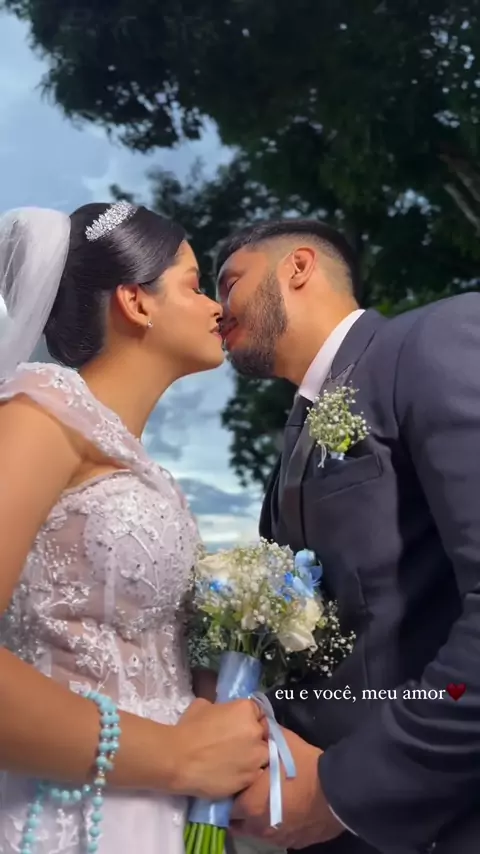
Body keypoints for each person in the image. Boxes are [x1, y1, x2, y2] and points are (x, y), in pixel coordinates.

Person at [0, 202, 269, 854]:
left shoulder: (151, 475)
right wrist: (175, 756)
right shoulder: (40, 412)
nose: (215, 307)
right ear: (136, 301)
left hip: (163, 818)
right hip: (74, 812)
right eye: (194, 285)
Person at [216, 218, 480, 854]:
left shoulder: (432, 341)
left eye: (229, 283)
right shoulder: (291, 449)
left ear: (298, 267)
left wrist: (341, 792)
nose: (217, 310)